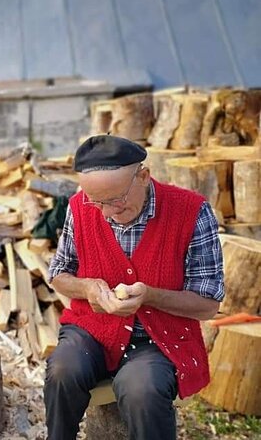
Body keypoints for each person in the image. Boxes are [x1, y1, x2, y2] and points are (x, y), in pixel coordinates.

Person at [45, 135, 224, 440]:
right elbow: (59, 274)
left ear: (143, 176)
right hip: (92, 329)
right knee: (62, 370)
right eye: (97, 202)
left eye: (116, 199)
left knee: (142, 389)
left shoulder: (192, 211)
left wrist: (150, 296)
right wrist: (88, 288)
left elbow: (208, 305)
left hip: (159, 339)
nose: (107, 212)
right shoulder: (80, 207)